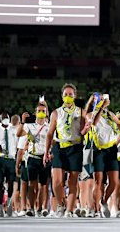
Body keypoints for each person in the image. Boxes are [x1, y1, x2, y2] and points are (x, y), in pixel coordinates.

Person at [44, 83, 85, 218]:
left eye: (70, 94)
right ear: (62, 97)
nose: (68, 97)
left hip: (75, 147)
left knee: (72, 181)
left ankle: (70, 210)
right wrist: (46, 152)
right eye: (65, 94)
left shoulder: (81, 111)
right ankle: (62, 204)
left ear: (75, 96)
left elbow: (86, 129)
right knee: (56, 182)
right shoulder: (56, 113)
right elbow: (50, 134)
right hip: (59, 147)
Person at [17, 103, 50, 217]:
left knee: (43, 185)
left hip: (44, 158)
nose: (41, 113)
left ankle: (39, 208)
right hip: (32, 157)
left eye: (43, 111)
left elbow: (54, 141)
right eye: (39, 110)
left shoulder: (49, 127)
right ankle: (30, 207)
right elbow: (18, 134)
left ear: (46, 113)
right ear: (35, 112)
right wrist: (22, 121)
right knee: (31, 184)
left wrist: (50, 153)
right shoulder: (29, 126)